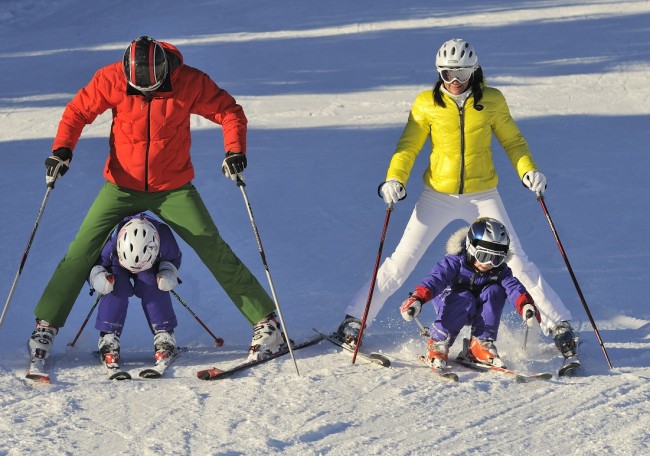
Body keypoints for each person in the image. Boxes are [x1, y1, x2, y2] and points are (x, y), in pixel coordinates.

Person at [28, 36, 287, 366]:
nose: (148, 93)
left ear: (165, 70)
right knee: (82, 248)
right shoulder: (111, 78)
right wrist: (62, 150)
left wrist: (234, 150)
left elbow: (228, 111)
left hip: (172, 186)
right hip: (121, 185)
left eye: (155, 86)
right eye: (140, 88)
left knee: (212, 245)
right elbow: (78, 110)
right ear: (127, 73)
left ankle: (267, 324)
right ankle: (45, 326)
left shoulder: (189, 81)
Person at [336, 38, 577, 361]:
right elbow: (408, 146)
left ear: (474, 72)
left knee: (516, 261)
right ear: (439, 72)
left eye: (461, 75)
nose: (454, 82)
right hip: (438, 193)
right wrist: (395, 178)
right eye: (448, 74)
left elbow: (513, 141)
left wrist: (528, 171)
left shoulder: (491, 100)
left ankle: (558, 324)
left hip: (482, 194)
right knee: (401, 260)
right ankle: (356, 320)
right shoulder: (426, 103)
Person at [400, 218, 541, 369]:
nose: (489, 263)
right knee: (464, 298)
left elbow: (513, 288)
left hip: (479, 307)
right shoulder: (454, 262)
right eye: (484, 256)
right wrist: (417, 298)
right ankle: (438, 343)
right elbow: (435, 280)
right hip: (452, 301)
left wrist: (526, 306)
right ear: (471, 248)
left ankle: (479, 344)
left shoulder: (500, 270)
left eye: (497, 259)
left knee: (495, 290)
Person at [89, 214, 182, 367]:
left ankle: (164, 335)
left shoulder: (164, 238)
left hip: (151, 263)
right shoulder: (111, 240)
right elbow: (98, 264)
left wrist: (167, 272)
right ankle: (108, 337)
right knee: (116, 286)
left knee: (152, 284)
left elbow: (173, 259)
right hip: (117, 263)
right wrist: (99, 278)